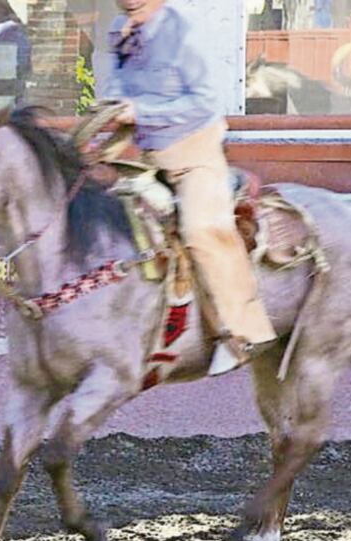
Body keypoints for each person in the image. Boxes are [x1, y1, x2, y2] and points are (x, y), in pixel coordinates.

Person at [103, 0, 276, 375]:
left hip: (194, 153)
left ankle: (245, 333)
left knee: (202, 231)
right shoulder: (121, 30)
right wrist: (114, 107)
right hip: (144, 154)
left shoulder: (183, 32)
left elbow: (205, 102)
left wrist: (141, 111)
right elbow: (120, 85)